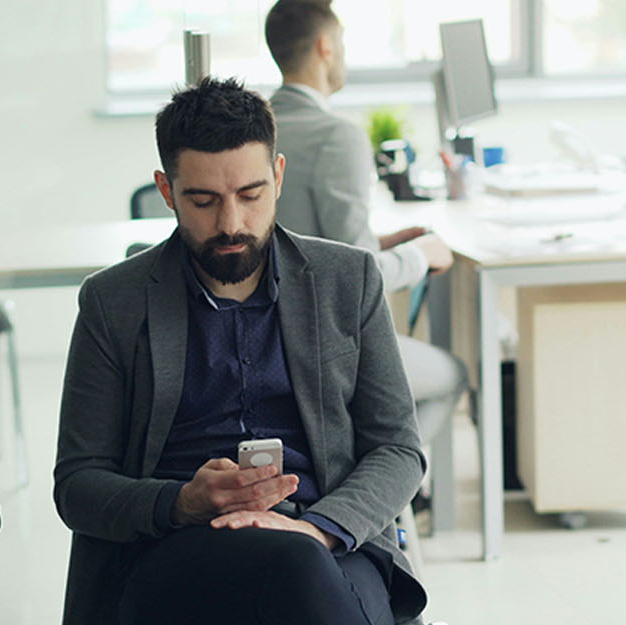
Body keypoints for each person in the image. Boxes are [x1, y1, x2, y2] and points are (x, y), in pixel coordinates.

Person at [54, 77, 428, 625]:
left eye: (251, 196)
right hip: (175, 547)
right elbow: (79, 484)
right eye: (203, 201)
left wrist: (314, 529)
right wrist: (182, 501)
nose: (231, 224)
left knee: (300, 566)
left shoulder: (347, 280)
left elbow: (397, 448)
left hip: (328, 536)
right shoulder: (115, 302)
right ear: (166, 190)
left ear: (278, 176)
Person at [264, 0, 469, 473]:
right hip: (324, 348)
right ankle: (382, 493)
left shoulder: (259, 127)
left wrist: (388, 239)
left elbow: (305, 242)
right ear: (325, 46)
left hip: (265, 337)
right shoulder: (336, 136)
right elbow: (356, 275)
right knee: (454, 374)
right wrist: (419, 255)